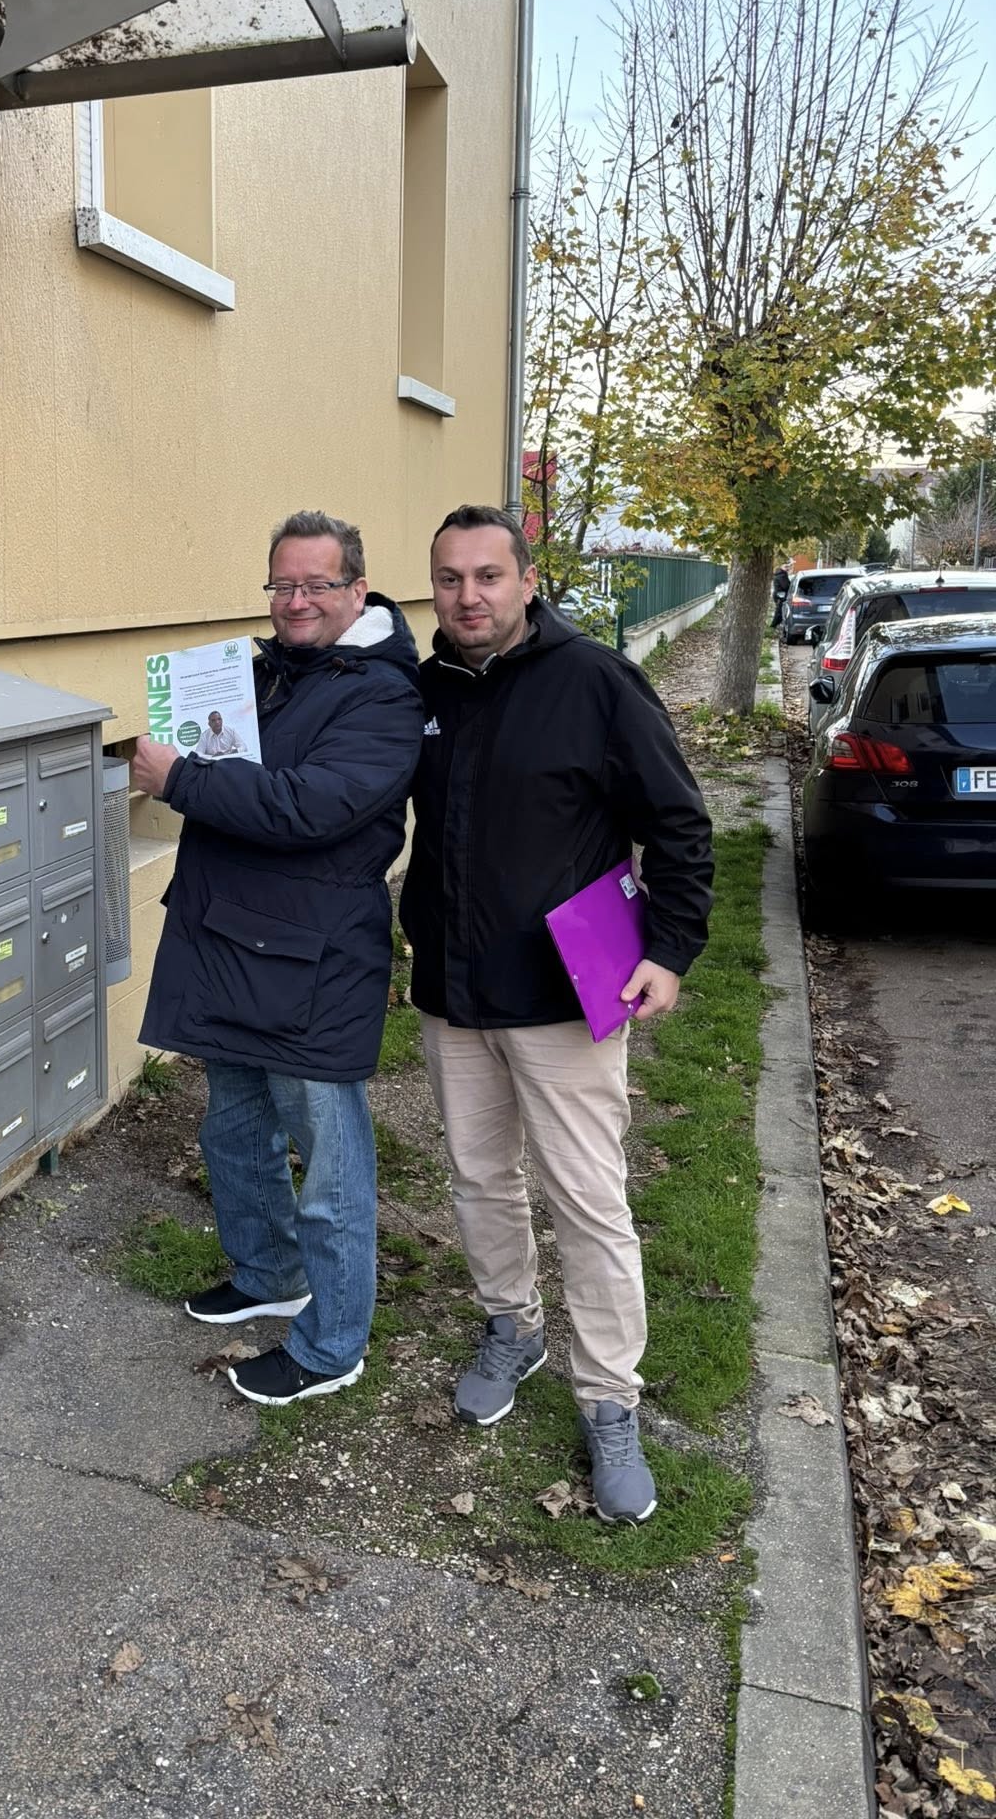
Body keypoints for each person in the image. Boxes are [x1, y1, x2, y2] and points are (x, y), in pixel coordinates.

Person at [399, 505, 713, 1522]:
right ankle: (514, 1325)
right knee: (479, 1176)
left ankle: (610, 1399)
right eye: (450, 578)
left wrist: (670, 948)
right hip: (454, 989)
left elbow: (678, 820)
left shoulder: (594, 681)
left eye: (489, 575)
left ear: (528, 581)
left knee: (587, 1200)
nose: (469, 596)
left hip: (566, 997)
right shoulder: (424, 687)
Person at [132, 511, 423, 1406]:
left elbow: (311, 806)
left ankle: (333, 1346)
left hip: (313, 962)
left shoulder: (385, 695)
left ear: (357, 591)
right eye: (282, 584)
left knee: (329, 1163)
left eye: (317, 585)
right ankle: (269, 1273)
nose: (296, 601)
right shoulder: (269, 672)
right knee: (233, 1128)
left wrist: (180, 779)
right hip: (232, 940)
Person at [771, 563, 791, 629]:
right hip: (780, 595)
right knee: (779, 611)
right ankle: (773, 626)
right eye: (785, 567)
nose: (787, 568)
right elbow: (785, 586)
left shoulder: (781, 574)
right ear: (781, 567)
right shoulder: (781, 575)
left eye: (788, 567)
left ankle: (775, 625)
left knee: (780, 611)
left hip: (779, 595)